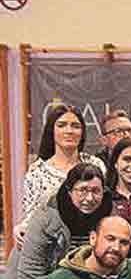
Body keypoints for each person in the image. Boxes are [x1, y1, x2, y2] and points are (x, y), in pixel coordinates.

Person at [18, 103, 106, 244]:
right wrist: (21, 228)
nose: (69, 131)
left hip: (91, 243)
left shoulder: (97, 165)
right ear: (51, 131)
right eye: (62, 125)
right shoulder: (37, 172)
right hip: (51, 245)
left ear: (82, 132)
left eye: (75, 126)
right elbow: (31, 216)